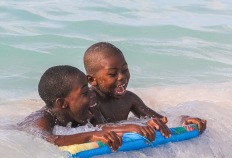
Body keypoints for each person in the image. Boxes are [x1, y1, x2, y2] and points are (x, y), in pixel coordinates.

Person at [18, 65, 156, 151]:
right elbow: (46, 141)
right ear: (61, 103)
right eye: (84, 93)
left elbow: (98, 128)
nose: (92, 95)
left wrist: (135, 126)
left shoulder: (79, 111)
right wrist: (91, 136)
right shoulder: (41, 120)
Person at [84, 42, 206, 135]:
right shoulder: (89, 99)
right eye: (113, 74)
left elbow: (158, 119)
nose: (121, 77)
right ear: (92, 80)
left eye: (125, 70)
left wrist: (184, 120)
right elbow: (98, 128)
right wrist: (131, 127)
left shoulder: (129, 98)